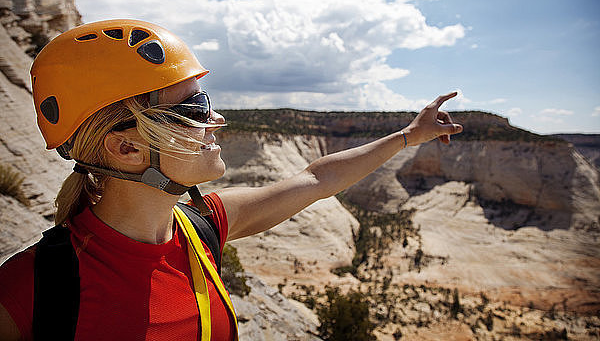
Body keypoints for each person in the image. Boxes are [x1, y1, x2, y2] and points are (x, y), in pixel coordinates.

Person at [0, 19, 463, 341]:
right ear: (127, 148)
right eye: (196, 109)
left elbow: (317, 178)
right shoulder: (26, 292)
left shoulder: (203, 227)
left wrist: (408, 136)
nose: (217, 119)